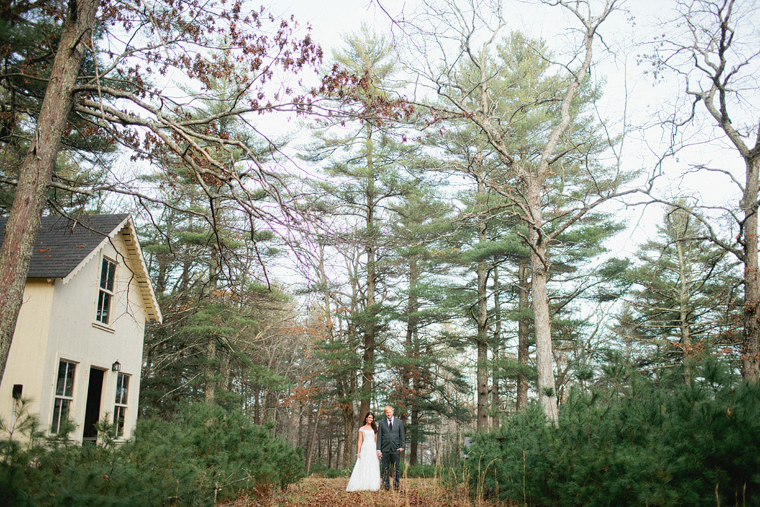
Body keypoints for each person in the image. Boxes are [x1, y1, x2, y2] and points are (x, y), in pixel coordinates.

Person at [345, 412, 382, 491]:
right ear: (366, 418)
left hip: (372, 448)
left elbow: (376, 440)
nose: (370, 419)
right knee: (364, 465)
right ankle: (362, 483)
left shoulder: (375, 428)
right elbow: (360, 441)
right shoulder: (361, 429)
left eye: (372, 418)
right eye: (369, 417)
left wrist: (378, 450)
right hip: (365, 448)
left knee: (372, 465)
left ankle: (372, 484)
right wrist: (358, 453)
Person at [376, 405, 405, 491]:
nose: (389, 414)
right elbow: (379, 437)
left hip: (395, 449)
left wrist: (402, 446)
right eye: (387, 412)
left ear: (392, 412)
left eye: (390, 412)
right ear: (385, 413)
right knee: (385, 469)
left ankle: (396, 487)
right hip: (385, 450)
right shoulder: (381, 423)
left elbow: (402, 436)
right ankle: (386, 487)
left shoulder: (399, 422)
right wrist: (378, 449)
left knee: (396, 469)